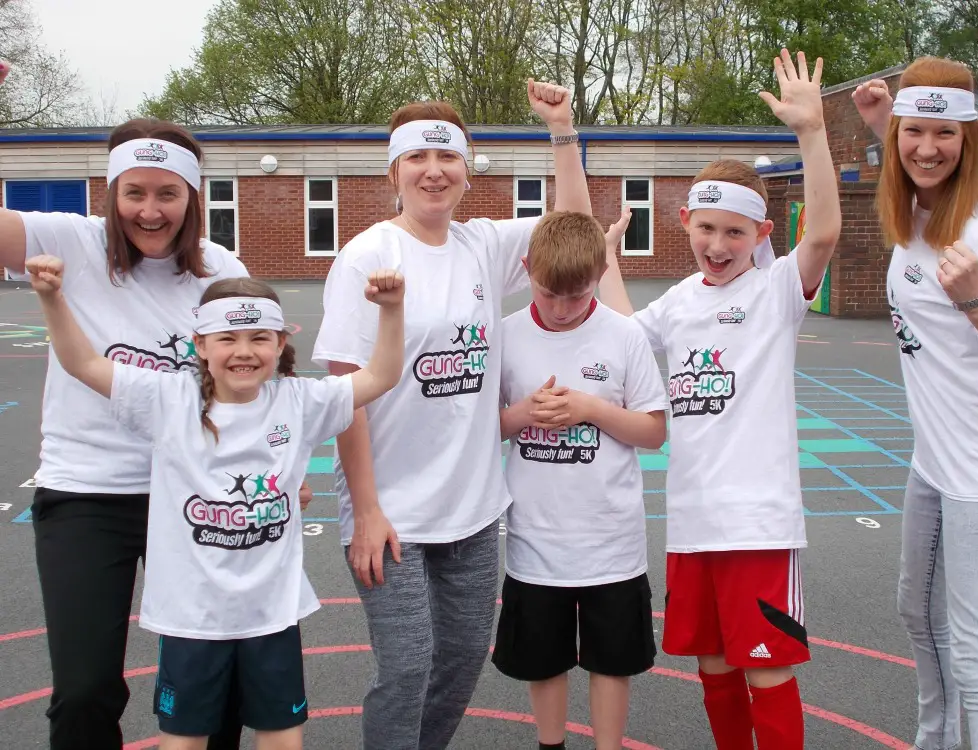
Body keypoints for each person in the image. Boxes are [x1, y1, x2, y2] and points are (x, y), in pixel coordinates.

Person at [311, 79, 591, 748]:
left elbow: (575, 229)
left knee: (461, 662)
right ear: (394, 172)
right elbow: (346, 394)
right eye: (417, 158)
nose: (433, 171)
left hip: (471, 507)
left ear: (467, 172)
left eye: (447, 158)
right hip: (391, 511)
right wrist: (365, 511)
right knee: (408, 667)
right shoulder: (366, 256)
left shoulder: (482, 246)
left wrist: (561, 129)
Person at [23, 261, 406, 750]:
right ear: (200, 346)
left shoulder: (300, 401)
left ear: (280, 343)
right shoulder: (168, 400)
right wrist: (53, 298)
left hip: (271, 613)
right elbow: (83, 363)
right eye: (227, 338)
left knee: (283, 737)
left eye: (259, 338)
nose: (243, 351)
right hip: (193, 618)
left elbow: (382, 375)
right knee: (184, 739)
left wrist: (391, 309)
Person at [0, 59, 258, 749]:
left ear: (193, 197)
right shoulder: (70, 241)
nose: (150, 210)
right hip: (86, 493)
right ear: (112, 193)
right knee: (85, 690)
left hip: (193, 490)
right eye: (134, 192)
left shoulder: (221, 270)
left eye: (168, 193)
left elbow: (249, 382)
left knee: (213, 681)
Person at [599, 50, 839, 750]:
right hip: (692, 522)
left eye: (735, 231)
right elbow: (622, 334)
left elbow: (824, 232)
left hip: (756, 524)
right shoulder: (680, 300)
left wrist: (812, 131)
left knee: (766, 667)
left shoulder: (774, 291)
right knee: (712, 666)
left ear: (762, 235)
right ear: (684, 221)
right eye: (707, 228)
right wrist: (609, 261)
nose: (718, 243)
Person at [853, 57, 978, 750]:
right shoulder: (916, 210)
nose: (928, 148)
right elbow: (910, 159)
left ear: (970, 139)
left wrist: (977, 302)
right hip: (932, 464)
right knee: (916, 611)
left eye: (946, 134)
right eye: (915, 131)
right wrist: (884, 121)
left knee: (977, 647)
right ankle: (934, 739)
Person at [490, 211, 668, 750]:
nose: (563, 309)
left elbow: (653, 431)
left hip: (610, 539)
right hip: (536, 539)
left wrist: (590, 409)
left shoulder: (624, 334)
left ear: (600, 275)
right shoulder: (506, 335)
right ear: (526, 269)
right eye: (549, 294)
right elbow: (481, 432)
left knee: (611, 660)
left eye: (578, 295)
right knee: (543, 660)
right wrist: (524, 414)